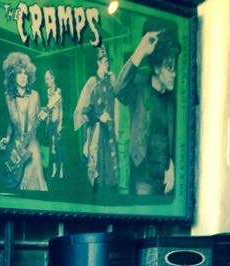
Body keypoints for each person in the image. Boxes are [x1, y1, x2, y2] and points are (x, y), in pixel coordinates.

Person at [115, 19, 181, 196]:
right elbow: (119, 90)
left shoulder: (171, 99)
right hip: (143, 176)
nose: (174, 74)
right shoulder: (139, 86)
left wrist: (172, 163)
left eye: (174, 67)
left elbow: (173, 136)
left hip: (165, 175)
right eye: (169, 67)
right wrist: (141, 50)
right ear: (157, 68)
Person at [0, 51, 47, 192]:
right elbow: (11, 121)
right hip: (15, 146)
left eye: (26, 73)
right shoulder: (9, 97)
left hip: (31, 143)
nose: (23, 76)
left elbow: (38, 120)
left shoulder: (35, 96)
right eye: (19, 73)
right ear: (13, 76)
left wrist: (44, 118)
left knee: (34, 184)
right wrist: (7, 138)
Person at [73, 45, 118, 190]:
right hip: (97, 132)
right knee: (97, 169)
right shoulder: (92, 82)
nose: (107, 65)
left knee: (110, 170)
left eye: (108, 62)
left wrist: (114, 82)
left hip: (109, 131)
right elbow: (85, 111)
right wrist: (99, 117)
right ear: (98, 63)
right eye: (104, 62)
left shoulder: (110, 81)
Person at [40, 68, 63, 180]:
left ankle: (61, 168)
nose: (46, 81)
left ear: (53, 78)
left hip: (56, 122)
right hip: (49, 123)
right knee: (51, 147)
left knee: (58, 147)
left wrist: (60, 125)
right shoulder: (47, 91)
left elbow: (60, 109)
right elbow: (47, 108)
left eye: (48, 78)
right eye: (45, 79)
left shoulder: (58, 91)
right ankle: (54, 169)